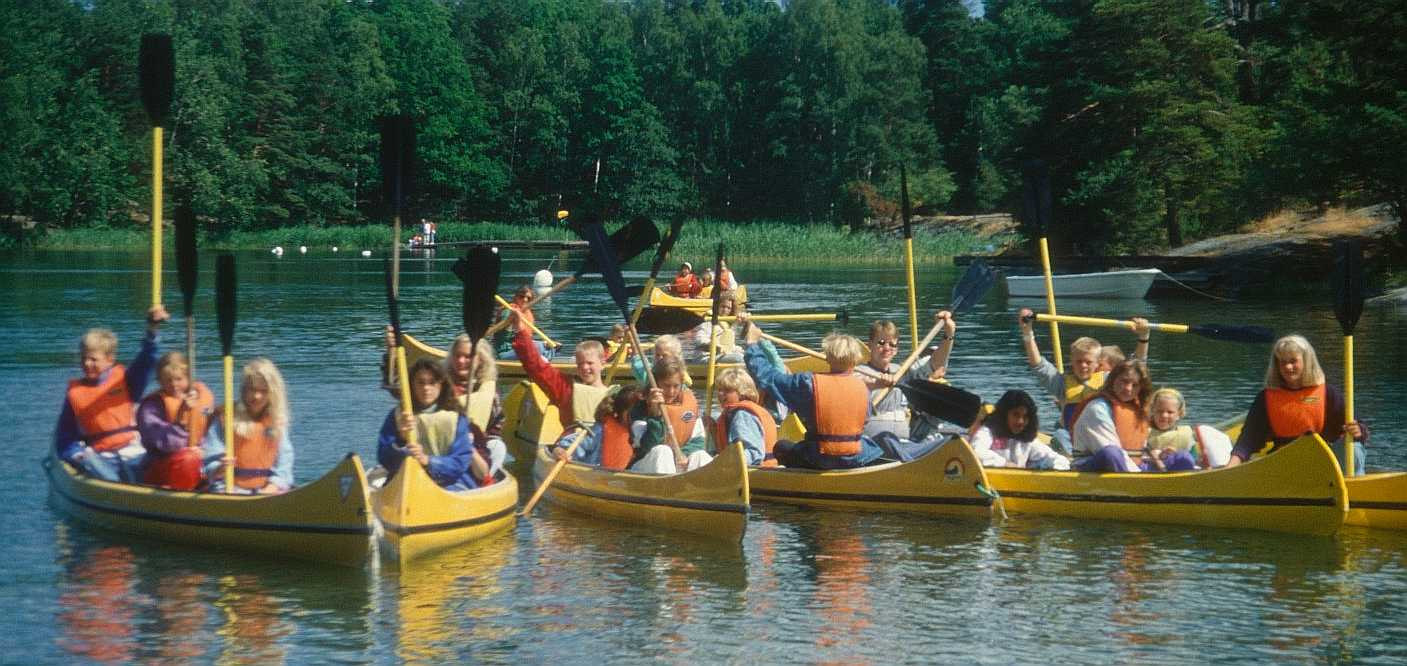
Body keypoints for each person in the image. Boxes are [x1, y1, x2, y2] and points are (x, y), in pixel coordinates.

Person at [742, 320, 885, 469]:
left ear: (828, 357)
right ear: (855, 360)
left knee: (781, 446)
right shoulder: (863, 387)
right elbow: (865, 420)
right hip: (856, 457)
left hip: (819, 459)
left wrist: (752, 344)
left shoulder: (808, 384)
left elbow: (768, 377)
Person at [54, 305, 168, 481]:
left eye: (93, 359)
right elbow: (65, 438)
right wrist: (76, 455)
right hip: (101, 456)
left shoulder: (127, 382)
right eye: (83, 358)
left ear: (109, 360)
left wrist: (152, 329)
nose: (87, 363)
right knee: (91, 462)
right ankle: (121, 490)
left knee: (158, 461)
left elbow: (146, 360)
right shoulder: (75, 394)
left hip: (133, 451)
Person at [1227, 334, 1366, 473]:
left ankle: (1355, 489)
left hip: (1324, 464)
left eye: (1293, 361)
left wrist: (1358, 430)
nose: (1288, 367)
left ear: (1307, 361)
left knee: (1354, 448)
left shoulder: (1328, 394)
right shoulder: (1265, 398)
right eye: (1282, 362)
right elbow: (1248, 439)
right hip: (1285, 464)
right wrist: (1229, 469)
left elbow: (1358, 428)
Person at [1017, 307, 1151, 451]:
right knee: (1060, 435)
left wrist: (1143, 337)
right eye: (1078, 361)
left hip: (1099, 435)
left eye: (1088, 362)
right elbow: (1038, 365)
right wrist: (1027, 332)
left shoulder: (1108, 381)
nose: (1083, 366)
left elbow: (1136, 367)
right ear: (1072, 361)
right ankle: (1070, 460)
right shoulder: (1062, 383)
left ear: (1097, 363)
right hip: (1071, 437)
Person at [378, 358, 489, 490]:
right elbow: (384, 458)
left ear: (441, 385)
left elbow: (460, 462)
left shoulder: (456, 418)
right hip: (408, 483)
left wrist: (427, 461)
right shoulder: (399, 416)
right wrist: (401, 441)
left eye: (432, 383)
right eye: (420, 383)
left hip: (450, 483)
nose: (426, 388)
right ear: (412, 385)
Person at [1070, 360, 1195, 473]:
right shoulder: (1097, 408)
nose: (1128, 388)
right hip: (1093, 465)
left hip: (1134, 465)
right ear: (1113, 380)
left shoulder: (1136, 408)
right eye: (1124, 381)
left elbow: (1139, 446)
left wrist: (1158, 456)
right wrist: (1143, 476)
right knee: (1111, 453)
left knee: (1183, 457)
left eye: (1135, 385)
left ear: (1141, 388)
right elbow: (1110, 451)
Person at [511, 310, 612, 448]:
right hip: (570, 448)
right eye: (580, 364)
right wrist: (520, 330)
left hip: (600, 450)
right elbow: (536, 367)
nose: (584, 368)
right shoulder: (566, 388)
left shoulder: (613, 397)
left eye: (589, 363)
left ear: (602, 363)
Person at [203, 358, 295, 494]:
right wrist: (219, 468)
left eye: (263, 391)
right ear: (244, 390)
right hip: (228, 487)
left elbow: (284, 463)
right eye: (252, 389)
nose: (257, 396)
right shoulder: (226, 418)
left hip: (269, 489)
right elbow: (210, 457)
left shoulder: (276, 422)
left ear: (272, 392)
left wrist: (272, 487)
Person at [861, 314, 955, 439]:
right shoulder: (858, 372)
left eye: (892, 344)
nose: (887, 348)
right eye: (881, 343)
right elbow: (857, 384)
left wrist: (949, 333)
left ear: (896, 350)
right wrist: (878, 383)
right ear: (869, 345)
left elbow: (936, 364)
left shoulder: (903, 372)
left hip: (903, 445)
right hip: (871, 444)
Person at [136, 352, 214, 489]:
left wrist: (206, 449)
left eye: (179, 379)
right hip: (162, 466)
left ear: (189, 378)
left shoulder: (201, 396)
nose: (174, 384)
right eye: (168, 380)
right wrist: (181, 416)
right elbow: (165, 444)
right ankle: (181, 498)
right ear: (160, 381)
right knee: (189, 459)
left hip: (200, 458)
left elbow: (212, 430)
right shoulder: (151, 406)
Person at [632, 357, 711, 472]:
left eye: (676, 386)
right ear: (656, 384)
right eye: (666, 386)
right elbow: (647, 446)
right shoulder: (640, 409)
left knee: (700, 456)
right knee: (663, 451)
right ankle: (664, 488)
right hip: (647, 465)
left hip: (679, 463)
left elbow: (698, 441)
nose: (671, 392)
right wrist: (655, 416)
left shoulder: (688, 404)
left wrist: (683, 454)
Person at [446, 334, 508, 476]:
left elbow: (495, 429)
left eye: (468, 356)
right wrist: (392, 353)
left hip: (477, 448)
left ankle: (482, 480)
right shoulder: (440, 382)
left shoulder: (489, 390)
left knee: (498, 447)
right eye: (457, 356)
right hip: (443, 443)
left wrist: (477, 438)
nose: (461, 361)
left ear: (480, 359)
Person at [969, 389, 1070, 470]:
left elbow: (1053, 458)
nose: (1020, 421)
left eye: (1025, 417)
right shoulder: (987, 432)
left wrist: (1055, 466)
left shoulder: (1028, 440)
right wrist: (1005, 464)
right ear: (1004, 414)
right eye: (1016, 415)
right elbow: (975, 453)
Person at [1145, 388, 1233, 469]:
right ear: (1153, 411)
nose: (1164, 415)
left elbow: (1193, 458)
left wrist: (1200, 462)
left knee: (1184, 457)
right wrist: (1158, 456)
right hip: (1153, 469)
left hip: (1181, 471)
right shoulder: (1145, 433)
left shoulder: (1186, 435)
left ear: (1179, 414)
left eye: (1170, 412)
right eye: (1159, 411)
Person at [712, 368, 778, 467]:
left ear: (742, 393)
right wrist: (713, 431)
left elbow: (754, 453)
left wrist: (724, 463)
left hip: (757, 472)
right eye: (719, 390)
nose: (720, 394)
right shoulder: (739, 412)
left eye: (727, 390)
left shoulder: (742, 415)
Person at [498, 285, 552, 360]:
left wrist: (546, 344)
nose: (525, 300)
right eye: (521, 296)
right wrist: (510, 320)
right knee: (539, 347)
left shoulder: (527, 313)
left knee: (550, 348)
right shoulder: (508, 311)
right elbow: (500, 327)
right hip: (507, 352)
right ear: (515, 297)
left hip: (521, 349)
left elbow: (526, 340)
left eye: (528, 298)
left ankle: (541, 361)